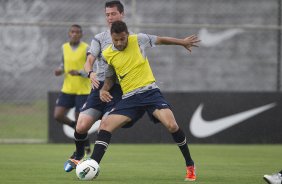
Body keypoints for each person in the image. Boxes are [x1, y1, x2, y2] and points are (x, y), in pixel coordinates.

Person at [92, 21, 200, 181]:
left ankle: (190, 164)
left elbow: (161, 40)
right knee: (105, 125)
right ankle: (92, 166)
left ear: (127, 34)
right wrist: (104, 89)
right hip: (129, 98)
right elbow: (110, 77)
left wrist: (182, 42)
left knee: (171, 125)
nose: (120, 43)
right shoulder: (108, 53)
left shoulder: (138, 39)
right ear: (111, 38)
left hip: (150, 93)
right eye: (116, 40)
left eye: (123, 39)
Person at [63, 1, 126, 172]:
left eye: (113, 14)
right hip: (98, 88)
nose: (110, 17)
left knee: (106, 124)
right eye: (107, 15)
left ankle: (92, 164)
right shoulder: (99, 38)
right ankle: (78, 154)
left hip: (120, 90)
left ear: (122, 14)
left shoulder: (132, 38)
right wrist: (90, 73)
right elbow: (89, 60)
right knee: (81, 125)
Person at [53, 24, 91, 155]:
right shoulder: (64, 47)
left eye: (77, 32)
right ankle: (83, 138)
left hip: (83, 90)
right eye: (72, 32)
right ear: (69, 33)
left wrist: (80, 73)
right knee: (58, 115)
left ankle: (80, 150)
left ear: (81, 34)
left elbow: (91, 70)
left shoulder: (86, 48)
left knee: (80, 124)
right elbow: (63, 65)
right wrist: (60, 70)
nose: (75, 34)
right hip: (68, 89)